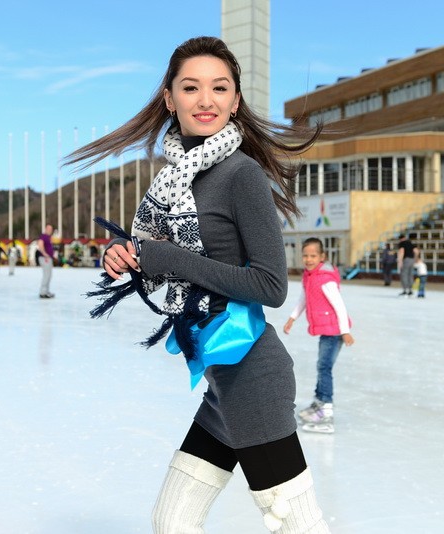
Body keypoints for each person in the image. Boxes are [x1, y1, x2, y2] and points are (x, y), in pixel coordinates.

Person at [67, 36, 329, 532]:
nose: (205, 99)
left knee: (297, 525)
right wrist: (126, 252)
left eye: (219, 87)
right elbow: (159, 249)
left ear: (235, 100)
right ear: (170, 98)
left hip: (253, 373)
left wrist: (167, 257)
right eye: (191, 87)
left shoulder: (241, 174)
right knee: (173, 520)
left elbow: (271, 286)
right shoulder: (174, 181)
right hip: (221, 377)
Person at [283, 237, 354, 434]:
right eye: (305, 255)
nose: (308, 259)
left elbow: (339, 306)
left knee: (324, 368)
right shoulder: (310, 276)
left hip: (335, 331)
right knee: (322, 366)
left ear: (322, 257)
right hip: (327, 330)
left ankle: (326, 411)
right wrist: (292, 318)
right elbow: (304, 298)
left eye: (313, 256)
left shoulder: (325, 279)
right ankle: (319, 403)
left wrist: (345, 332)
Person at [36, 224, 55, 298]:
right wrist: (45, 254)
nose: (50, 231)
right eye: (49, 229)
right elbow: (40, 245)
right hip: (45, 258)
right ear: (46, 229)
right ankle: (43, 292)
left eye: (51, 229)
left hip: (48, 258)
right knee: (46, 275)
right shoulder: (43, 236)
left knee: (49, 275)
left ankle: (46, 291)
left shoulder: (48, 237)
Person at [397, 232, 419, 297]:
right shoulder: (410, 243)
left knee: (404, 275)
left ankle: (405, 290)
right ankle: (410, 290)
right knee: (410, 275)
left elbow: (402, 251)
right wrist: (415, 259)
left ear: (400, 239)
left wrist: (400, 261)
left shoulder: (402, 243)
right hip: (412, 260)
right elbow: (416, 251)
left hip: (406, 259)